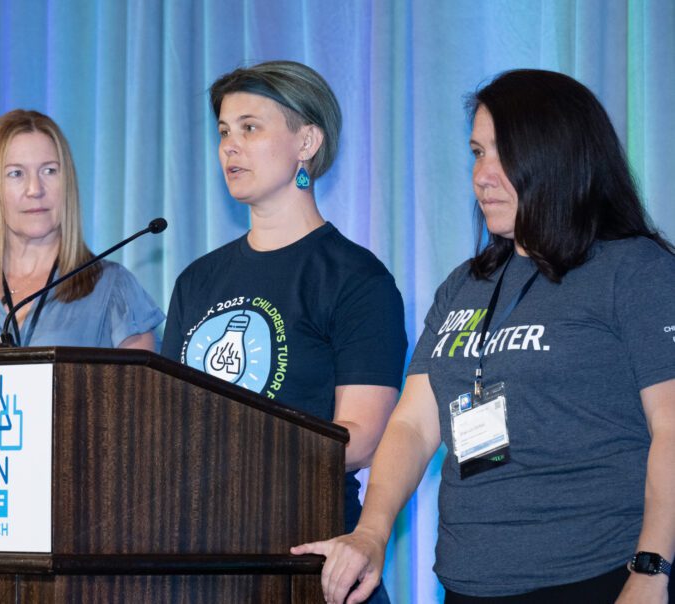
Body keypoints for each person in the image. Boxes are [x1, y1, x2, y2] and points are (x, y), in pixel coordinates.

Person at [292, 69, 675, 604]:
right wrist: (372, 531)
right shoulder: (465, 285)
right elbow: (414, 423)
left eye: (503, 156)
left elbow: (672, 428)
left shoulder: (634, 269)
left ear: (559, 157)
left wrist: (652, 570)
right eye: (477, 153)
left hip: (598, 576)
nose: (482, 176)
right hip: (468, 582)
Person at [161, 61, 407, 602]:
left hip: (308, 559)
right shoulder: (197, 280)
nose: (230, 146)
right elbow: (167, 419)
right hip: (201, 559)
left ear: (307, 141)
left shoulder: (355, 279)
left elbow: (360, 438)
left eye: (250, 128)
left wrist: (235, 454)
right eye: (224, 131)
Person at [0, 109, 164, 351]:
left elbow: (139, 397)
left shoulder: (115, 291)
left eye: (49, 171)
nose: (35, 189)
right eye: (16, 174)